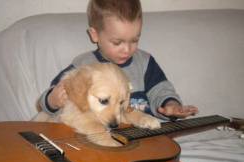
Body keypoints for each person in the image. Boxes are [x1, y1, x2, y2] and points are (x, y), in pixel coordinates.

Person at [39, 0, 198, 121]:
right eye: (117, 43)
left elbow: (161, 90)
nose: (127, 49)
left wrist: (170, 106)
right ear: (95, 35)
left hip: (144, 134)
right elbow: (52, 96)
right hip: (101, 135)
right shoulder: (83, 65)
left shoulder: (145, 62)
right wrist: (52, 101)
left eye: (135, 40)